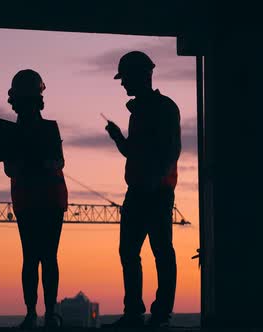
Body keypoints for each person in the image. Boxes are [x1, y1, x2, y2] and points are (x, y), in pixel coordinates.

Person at [104, 51, 181, 327]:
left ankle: (160, 314)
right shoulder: (139, 112)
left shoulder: (164, 108)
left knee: (161, 250)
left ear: (144, 76)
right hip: (138, 190)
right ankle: (136, 313)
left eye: (126, 78)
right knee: (129, 252)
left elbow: (172, 150)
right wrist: (118, 139)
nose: (123, 84)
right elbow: (133, 152)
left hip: (157, 191)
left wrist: (156, 179)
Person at [3, 69, 68, 329]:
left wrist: (32, 163)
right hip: (42, 200)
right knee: (41, 257)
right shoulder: (45, 129)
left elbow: (56, 161)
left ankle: (38, 313)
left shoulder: (23, 131)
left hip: (40, 200)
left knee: (35, 257)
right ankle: (44, 313)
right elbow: (11, 167)